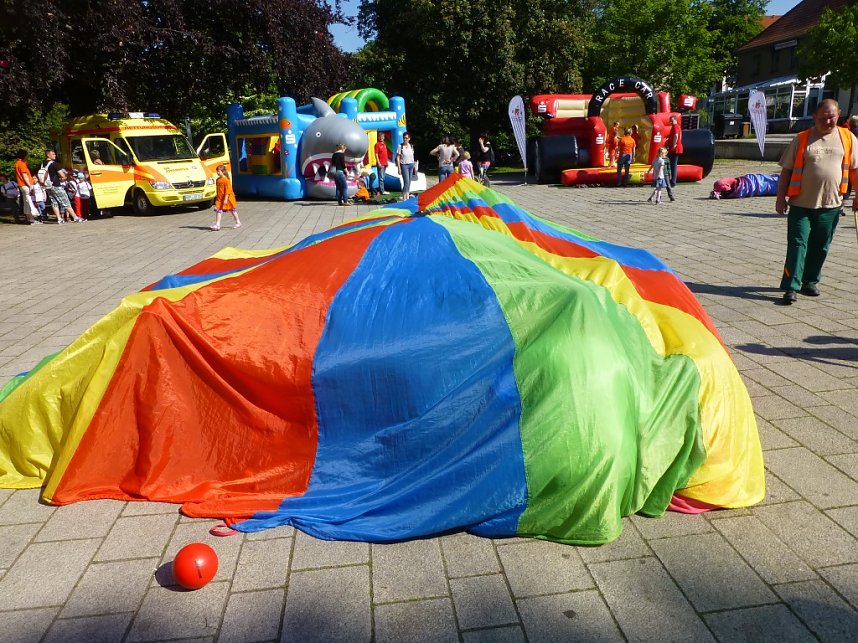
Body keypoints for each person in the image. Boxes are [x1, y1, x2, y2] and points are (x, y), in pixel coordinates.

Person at [775, 99, 858, 305]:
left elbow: (855, 169)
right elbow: (786, 170)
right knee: (797, 244)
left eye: (832, 117)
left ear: (839, 114)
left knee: (821, 245)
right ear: (814, 116)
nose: (828, 121)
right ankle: (791, 286)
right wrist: (780, 198)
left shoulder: (848, 138)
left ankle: (810, 281)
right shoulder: (802, 138)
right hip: (800, 203)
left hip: (831, 203)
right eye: (823, 118)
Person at [41, 149, 84, 224]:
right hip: (56, 185)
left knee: (53, 202)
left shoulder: (43, 164)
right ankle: (75, 217)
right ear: (48, 155)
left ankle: (59, 219)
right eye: (53, 154)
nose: (55, 155)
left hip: (47, 186)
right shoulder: (54, 164)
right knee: (65, 201)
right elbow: (62, 175)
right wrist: (62, 178)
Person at [14, 150, 42, 224]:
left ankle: (29, 218)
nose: (28, 156)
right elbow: (24, 175)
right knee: (29, 202)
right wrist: (29, 185)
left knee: (26, 202)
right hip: (25, 185)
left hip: (22, 185)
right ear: (24, 155)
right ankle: (31, 219)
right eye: (27, 155)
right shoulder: (22, 164)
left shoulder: (17, 163)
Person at [211, 164, 241, 230]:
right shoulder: (218, 179)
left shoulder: (226, 180)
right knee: (218, 210)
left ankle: (238, 222)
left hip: (228, 199)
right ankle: (217, 225)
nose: (217, 172)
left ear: (223, 171)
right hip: (220, 198)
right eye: (217, 171)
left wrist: (226, 199)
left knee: (232, 210)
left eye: (219, 171)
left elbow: (228, 190)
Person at [396, 132, 415, 201]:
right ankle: (404, 198)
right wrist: (399, 168)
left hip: (411, 164)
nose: (405, 139)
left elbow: (412, 156)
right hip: (404, 165)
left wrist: (414, 166)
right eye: (404, 138)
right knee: (406, 181)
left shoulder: (411, 146)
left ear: (409, 139)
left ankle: (407, 196)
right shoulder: (400, 146)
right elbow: (398, 157)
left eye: (406, 138)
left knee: (409, 182)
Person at [667, 115, 683, 187]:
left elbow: (676, 135)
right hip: (677, 147)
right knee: (673, 165)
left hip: (675, 149)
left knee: (673, 165)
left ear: (675, 120)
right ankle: (672, 180)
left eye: (671, 120)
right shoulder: (678, 127)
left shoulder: (675, 126)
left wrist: (674, 144)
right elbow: (680, 135)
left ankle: (673, 181)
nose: (670, 122)